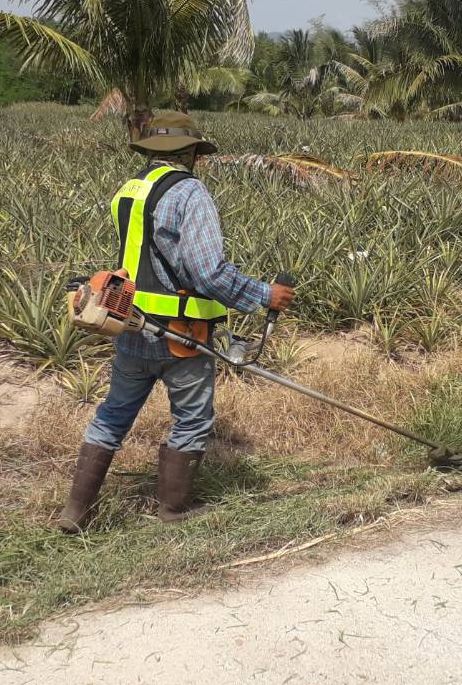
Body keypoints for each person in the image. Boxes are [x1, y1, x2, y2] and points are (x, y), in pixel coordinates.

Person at [56, 112, 296, 534]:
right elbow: (207, 272)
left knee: (114, 414)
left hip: (129, 322)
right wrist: (263, 295)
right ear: (189, 152)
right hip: (180, 334)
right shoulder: (189, 192)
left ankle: (75, 512)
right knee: (191, 419)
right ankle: (172, 511)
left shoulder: (128, 191)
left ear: (149, 150)